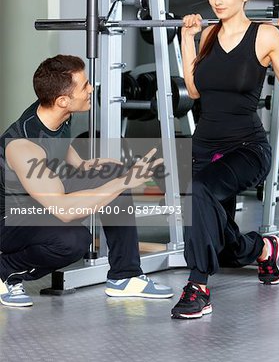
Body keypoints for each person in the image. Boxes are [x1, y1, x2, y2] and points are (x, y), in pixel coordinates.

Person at [171, 0, 279, 319]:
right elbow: (194, 91)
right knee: (223, 244)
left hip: (246, 149)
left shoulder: (265, 35)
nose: (218, 0)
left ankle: (198, 287)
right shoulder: (209, 34)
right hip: (204, 146)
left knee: (200, 194)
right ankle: (261, 250)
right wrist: (187, 39)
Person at [0, 54, 173, 307]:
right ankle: (5, 271)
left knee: (111, 174)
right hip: (9, 219)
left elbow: (58, 142)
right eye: (85, 86)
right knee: (72, 242)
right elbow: (63, 208)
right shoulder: (24, 148)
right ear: (62, 100)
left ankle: (125, 276)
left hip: (36, 196)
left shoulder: (56, 112)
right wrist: (126, 182)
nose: (92, 89)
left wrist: (83, 165)